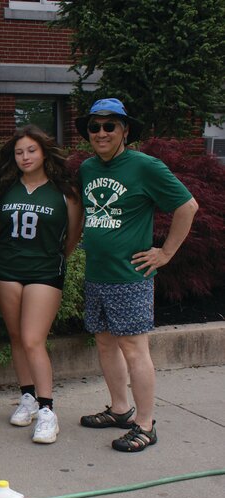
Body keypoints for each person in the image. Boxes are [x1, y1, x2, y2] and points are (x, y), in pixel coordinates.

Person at [75, 98, 198, 452]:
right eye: (94, 127)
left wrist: (166, 252)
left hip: (130, 277)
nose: (100, 132)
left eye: (109, 126)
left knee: (134, 348)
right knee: (104, 341)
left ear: (125, 131)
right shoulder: (87, 168)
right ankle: (119, 408)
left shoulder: (145, 166)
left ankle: (145, 424)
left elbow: (187, 206)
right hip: (98, 273)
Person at [0, 125, 83, 445]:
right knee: (16, 337)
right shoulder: (4, 189)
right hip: (6, 269)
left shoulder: (64, 191)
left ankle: (47, 410)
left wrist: (52, 258)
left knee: (32, 339)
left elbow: (71, 237)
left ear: (43, 152)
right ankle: (27, 397)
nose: (25, 156)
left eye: (31, 150)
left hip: (44, 270)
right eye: (19, 152)